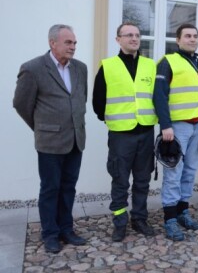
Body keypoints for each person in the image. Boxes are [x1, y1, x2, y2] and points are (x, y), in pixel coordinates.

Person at [14, 24, 88, 253]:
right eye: (68, 42)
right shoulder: (33, 68)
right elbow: (21, 104)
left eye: (74, 42)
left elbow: (81, 98)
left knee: (69, 187)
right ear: (52, 42)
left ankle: (66, 229)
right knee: (50, 188)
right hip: (50, 142)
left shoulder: (80, 68)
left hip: (76, 138)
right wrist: (43, 128)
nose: (73, 47)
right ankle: (50, 234)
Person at [92, 22, 157, 242]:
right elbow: (98, 101)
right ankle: (119, 222)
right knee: (120, 180)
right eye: (128, 35)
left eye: (137, 35)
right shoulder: (108, 66)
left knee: (142, 180)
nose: (134, 38)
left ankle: (139, 219)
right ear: (118, 39)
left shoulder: (150, 65)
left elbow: (157, 97)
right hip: (121, 134)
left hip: (146, 130)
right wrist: (110, 118)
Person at [153, 23, 198, 241]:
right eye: (187, 36)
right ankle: (169, 218)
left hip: (197, 126)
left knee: (189, 171)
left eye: (195, 36)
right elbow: (159, 95)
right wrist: (165, 125)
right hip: (177, 127)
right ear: (177, 40)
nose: (192, 39)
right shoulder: (168, 62)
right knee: (174, 172)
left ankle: (182, 212)